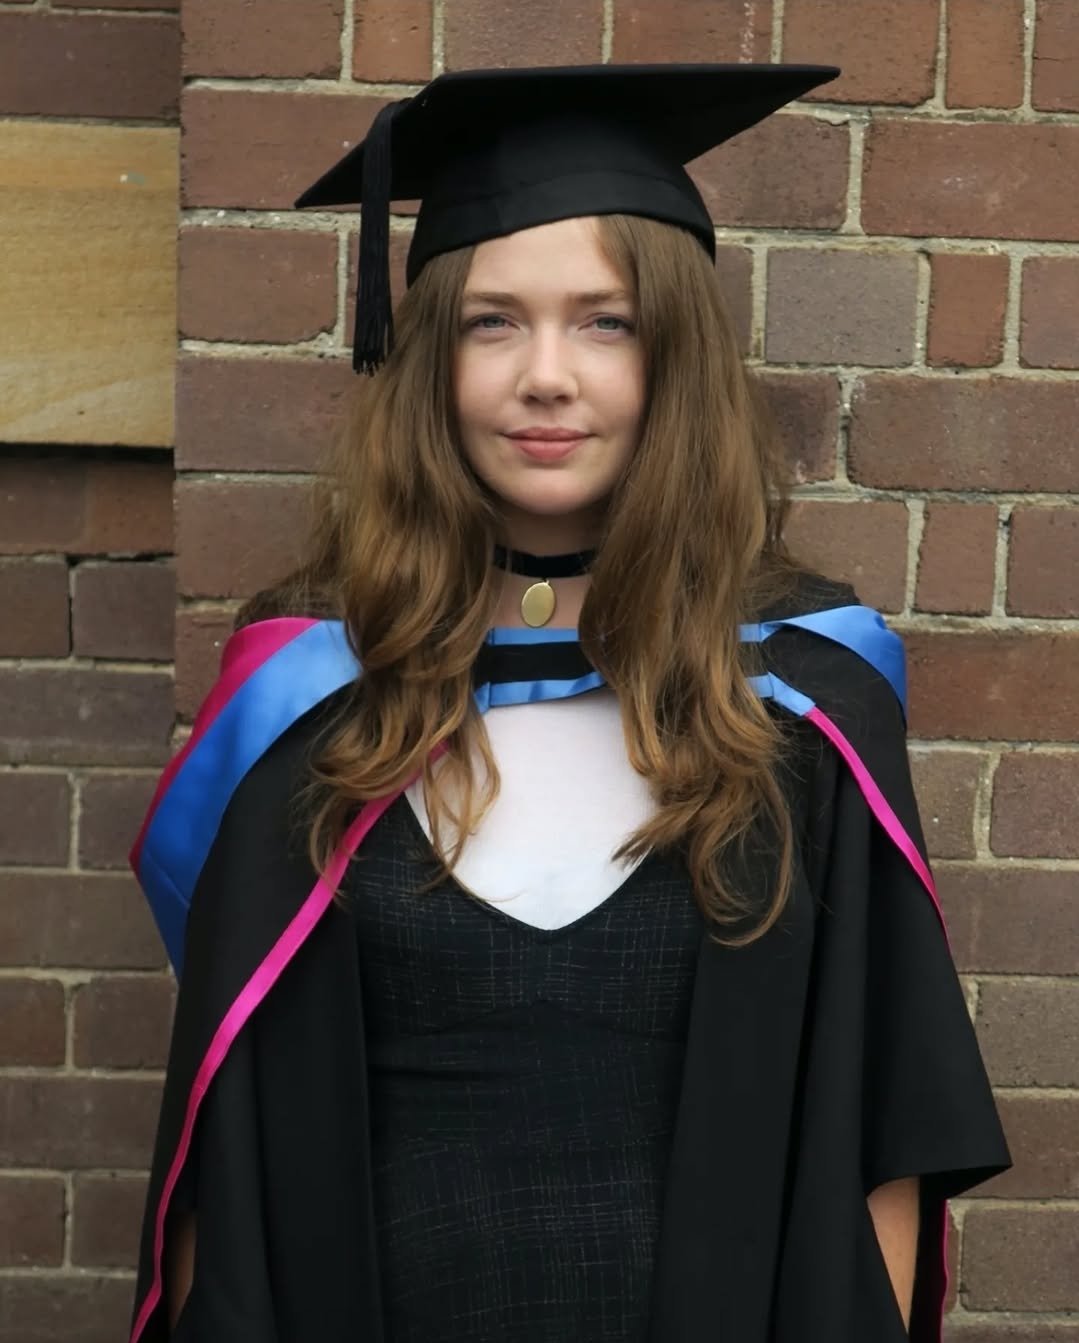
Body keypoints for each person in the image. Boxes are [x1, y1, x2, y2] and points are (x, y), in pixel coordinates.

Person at [127, 63, 1010, 1343]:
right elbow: (225, 1149)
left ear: (676, 357)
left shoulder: (802, 703)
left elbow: (884, 1145)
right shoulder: (307, 706)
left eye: (605, 321)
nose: (547, 375)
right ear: (429, 356)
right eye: (494, 321)